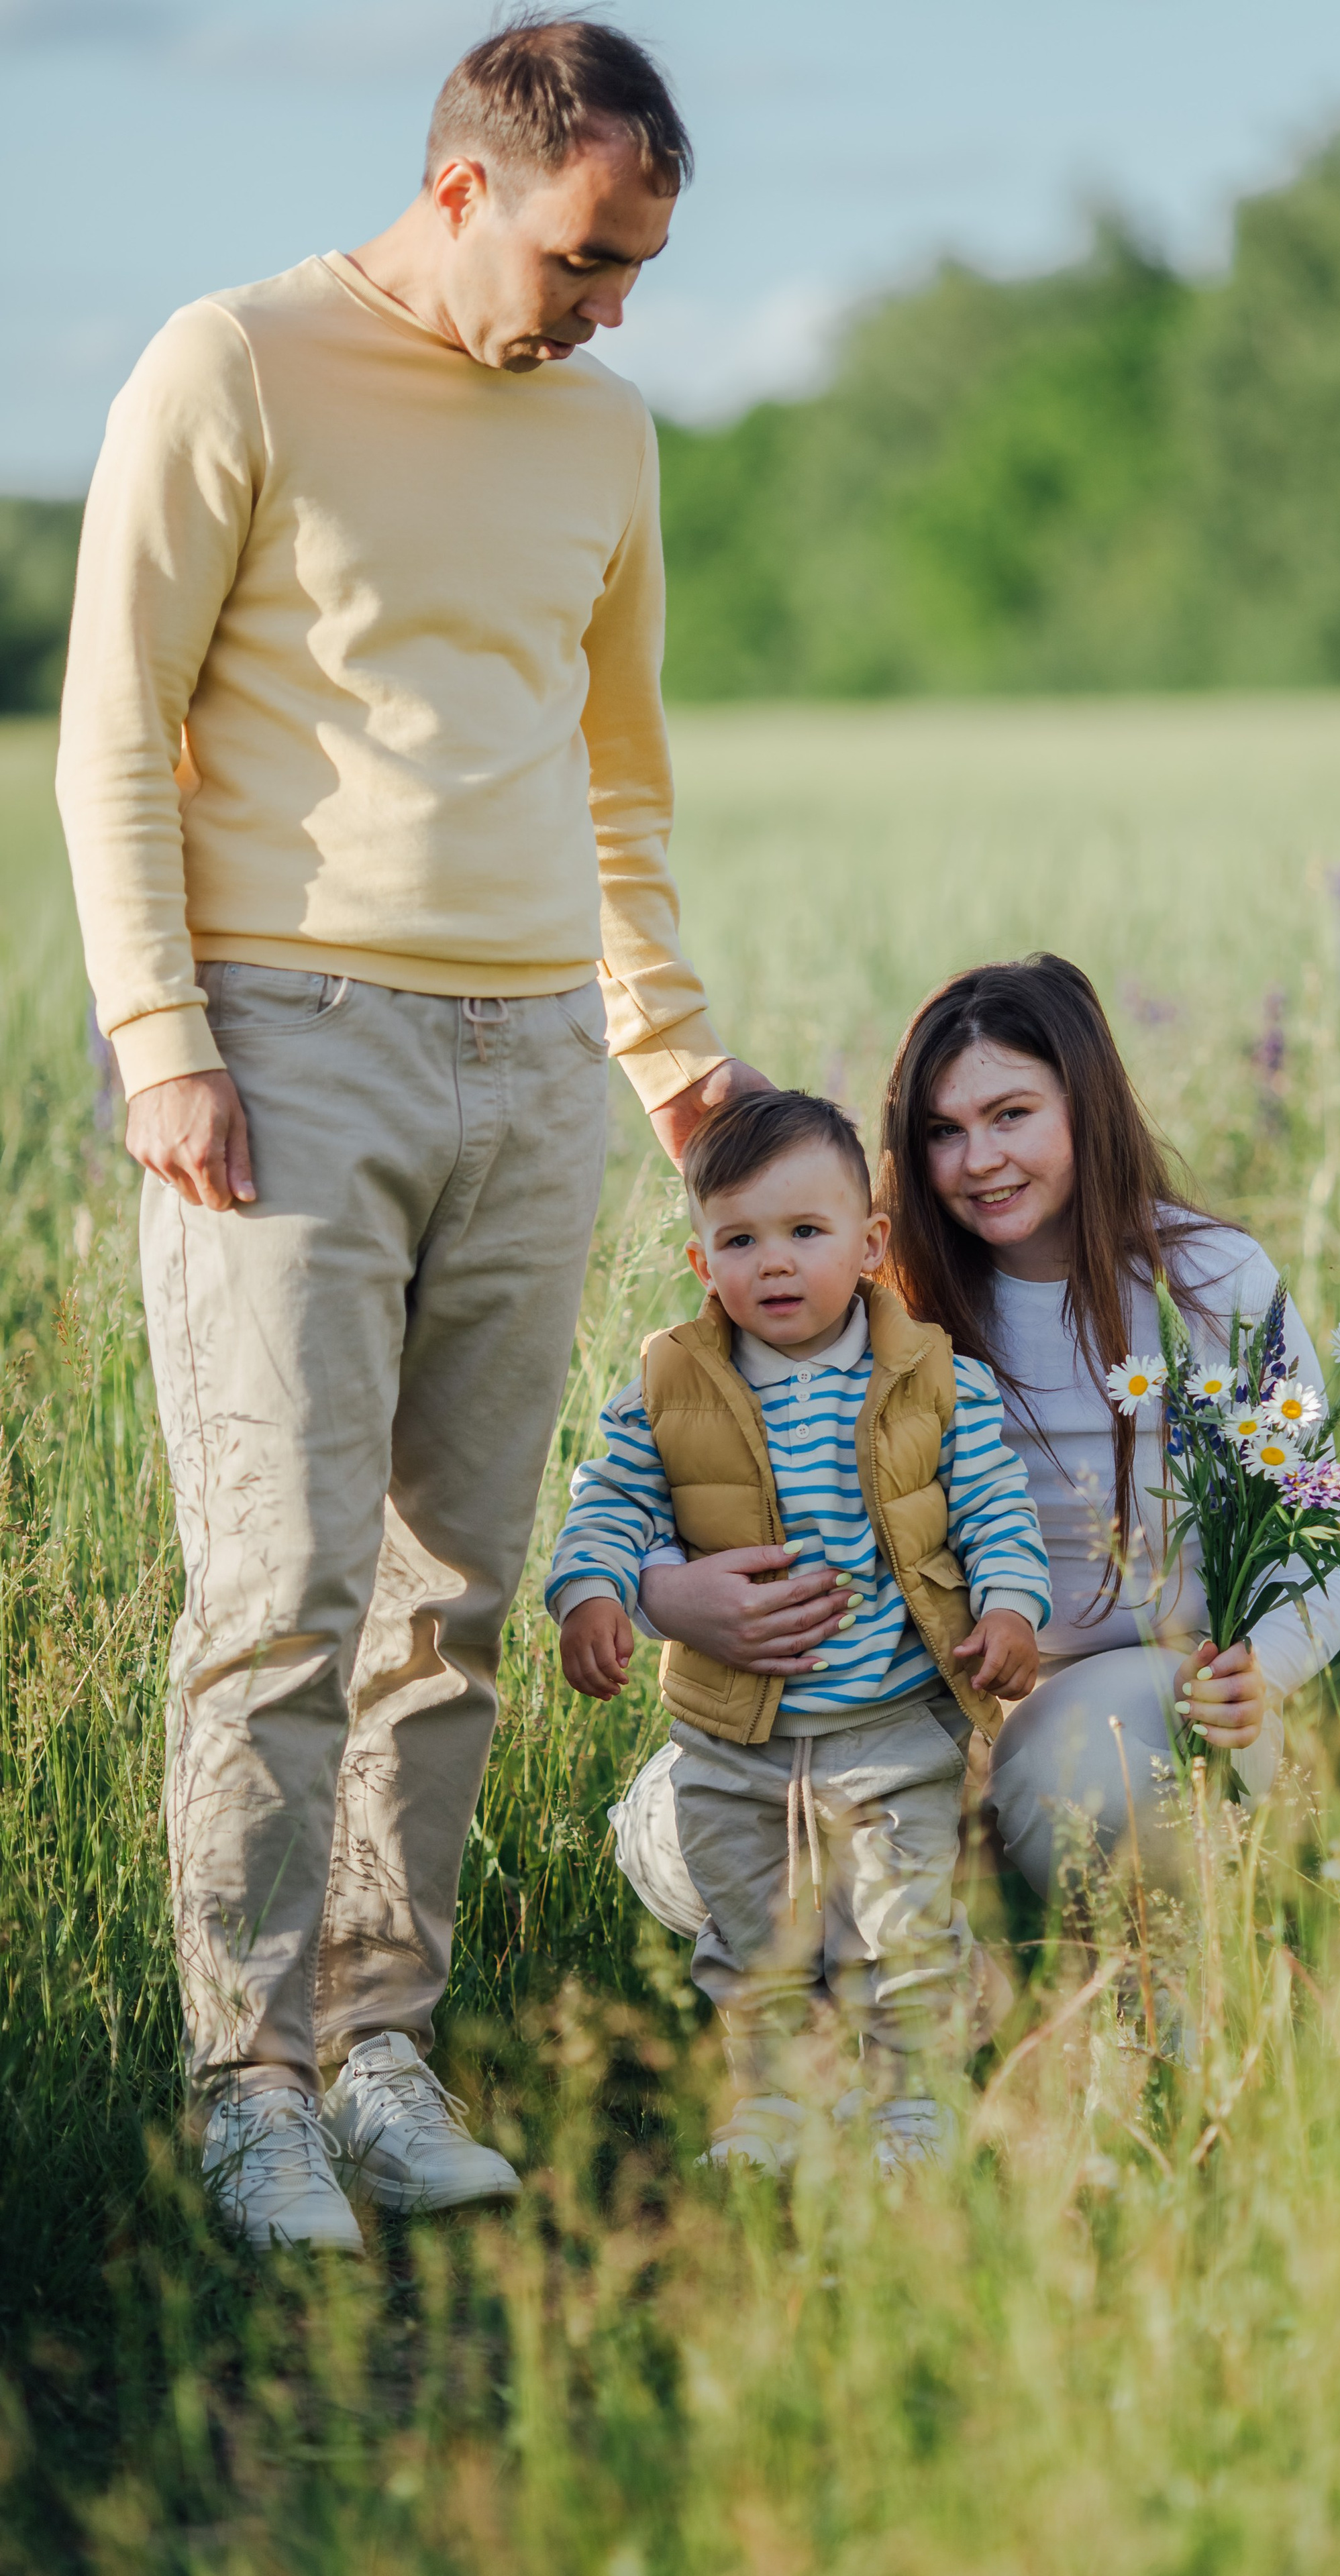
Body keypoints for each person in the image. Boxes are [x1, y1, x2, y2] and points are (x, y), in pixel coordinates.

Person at [56, 16, 780, 2251]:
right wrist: (161, 1025)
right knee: (281, 1592)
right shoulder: (233, 363)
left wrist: (668, 1058)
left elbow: (622, 772)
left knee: (453, 1599)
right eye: (587, 257)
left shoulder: (610, 436)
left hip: (534, 1061)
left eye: (643, 269)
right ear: (469, 184)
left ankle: (380, 2050)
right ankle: (243, 2083)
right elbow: (111, 720)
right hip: (290, 1046)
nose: (613, 307)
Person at [550, 1091, 1051, 2174]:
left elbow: (996, 1509)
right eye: (741, 1239)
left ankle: (911, 2097)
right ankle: (772, 2103)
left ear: (871, 1245)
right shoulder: (671, 1385)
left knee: (900, 1923)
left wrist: (1012, 1608)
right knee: (752, 1935)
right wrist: (593, 1591)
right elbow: (611, 1502)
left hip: (889, 1722)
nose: (774, 1264)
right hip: (735, 1736)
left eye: (805, 1234)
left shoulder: (932, 1381)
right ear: (701, 1261)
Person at [874, 953, 1340, 1909]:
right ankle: (916, 2012)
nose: (979, 1161)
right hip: (956, 1696)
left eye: (1011, 1115)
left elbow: (1314, 1530)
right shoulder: (902, 1306)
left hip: (1165, 1688)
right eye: (944, 1130)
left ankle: (1165, 2018)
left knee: (1097, 1763)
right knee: (708, 1823)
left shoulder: (1213, 1279)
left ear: (1085, 1105)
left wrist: (1262, 1666)